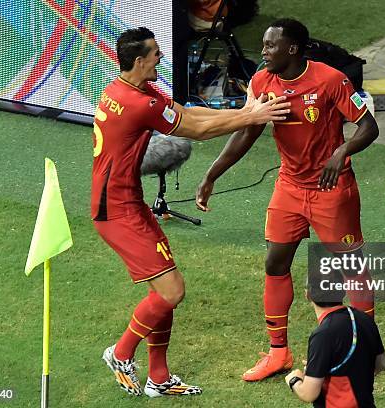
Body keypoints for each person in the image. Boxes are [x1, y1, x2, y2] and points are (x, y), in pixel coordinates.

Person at [92, 27, 290, 398]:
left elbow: (186, 112)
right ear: (139, 61)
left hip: (126, 204)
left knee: (161, 292)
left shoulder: (125, 89)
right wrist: (252, 116)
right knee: (171, 290)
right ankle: (119, 353)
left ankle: (159, 377)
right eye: (155, 54)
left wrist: (244, 110)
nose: (161, 58)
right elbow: (195, 130)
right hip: (118, 213)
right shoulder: (139, 103)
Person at [195, 18, 379, 382]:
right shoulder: (262, 82)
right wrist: (211, 175)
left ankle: (365, 350)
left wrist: (342, 150)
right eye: (264, 45)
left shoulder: (330, 80)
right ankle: (278, 353)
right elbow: (248, 133)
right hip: (290, 188)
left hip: (332, 191)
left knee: (350, 271)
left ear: (292, 49)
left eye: (270, 46)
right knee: (274, 264)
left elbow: (369, 126)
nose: (262, 52)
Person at [284, 270, 385, 407]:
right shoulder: (364, 319)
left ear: (308, 295)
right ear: (343, 291)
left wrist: (294, 379)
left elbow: (309, 393)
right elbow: (381, 364)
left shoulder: (323, 335)